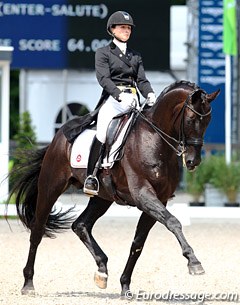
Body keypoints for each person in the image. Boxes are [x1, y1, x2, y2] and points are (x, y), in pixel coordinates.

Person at [83, 10, 156, 196]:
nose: (127, 30)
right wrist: (118, 94)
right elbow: (103, 79)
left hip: (133, 100)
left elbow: (142, 80)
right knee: (102, 131)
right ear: (112, 29)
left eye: (129, 28)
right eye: (123, 27)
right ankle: (91, 176)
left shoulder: (135, 56)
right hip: (114, 100)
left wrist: (150, 93)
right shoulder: (103, 53)